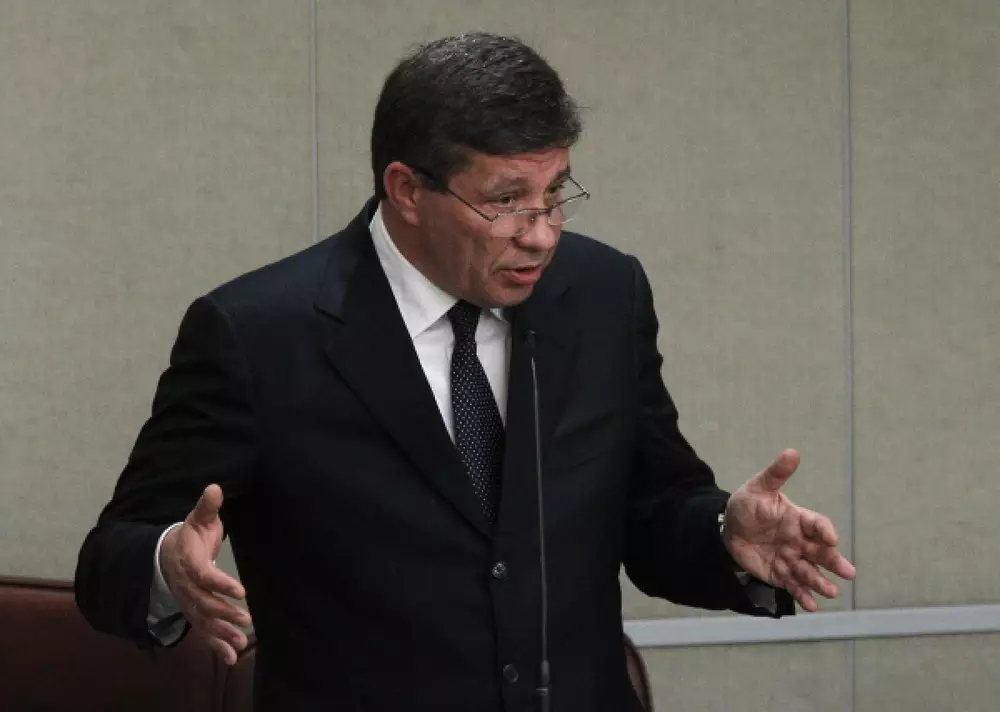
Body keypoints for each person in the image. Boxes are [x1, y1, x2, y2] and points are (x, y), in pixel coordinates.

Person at [75, 32, 855, 712]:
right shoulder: (257, 335)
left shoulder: (602, 295)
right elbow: (110, 558)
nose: (541, 234)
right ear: (407, 190)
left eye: (555, 193)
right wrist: (167, 564)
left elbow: (652, 508)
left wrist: (722, 533)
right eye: (507, 200)